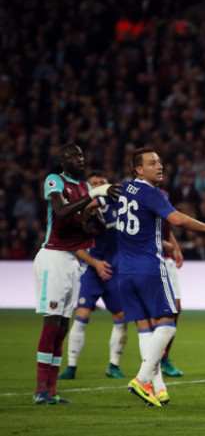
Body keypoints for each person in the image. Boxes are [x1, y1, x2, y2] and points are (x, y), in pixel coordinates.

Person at [119, 147, 205, 407]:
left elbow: (96, 203)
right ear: (138, 169)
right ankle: (142, 379)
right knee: (167, 323)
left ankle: (158, 389)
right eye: (152, 163)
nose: (160, 166)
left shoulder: (122, 189)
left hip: (125, 270)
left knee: (146, 328)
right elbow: (177, 219)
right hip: (149, 266)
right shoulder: (151, 193)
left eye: (160, 161)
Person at [33, 144, 121, 404]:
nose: (79, 159)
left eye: (82, 155)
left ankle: (52, 391)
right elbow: (61, 211)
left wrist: (98, 208)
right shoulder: (55, 180)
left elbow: (95, 228)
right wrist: (93, 194)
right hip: (53, 257)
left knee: (62, 326)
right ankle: (41, 389)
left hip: (74, 262)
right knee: (51, 322)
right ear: (62, 160)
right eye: (73, 155)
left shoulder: (83, 188)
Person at [58, 170, 128, 380]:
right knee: (81, 317)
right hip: (91, 271)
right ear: (89, 189)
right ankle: (71, 366)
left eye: (102, 182)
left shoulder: (120, 208)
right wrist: (95, 263)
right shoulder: (81, 216)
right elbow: (76, 247)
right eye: (94, 183)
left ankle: (113, 365)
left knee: (121, 318)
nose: (99, 185)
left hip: (116, 271)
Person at [159, 188, 184, 378]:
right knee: (162, 312)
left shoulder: (163, 193)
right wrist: (160, 243)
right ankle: (155, 359)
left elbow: (166, 224)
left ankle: (164, 357)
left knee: (176, 309)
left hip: (168, 260)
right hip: (153, 260)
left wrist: (175, 247)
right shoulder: (141, 194)